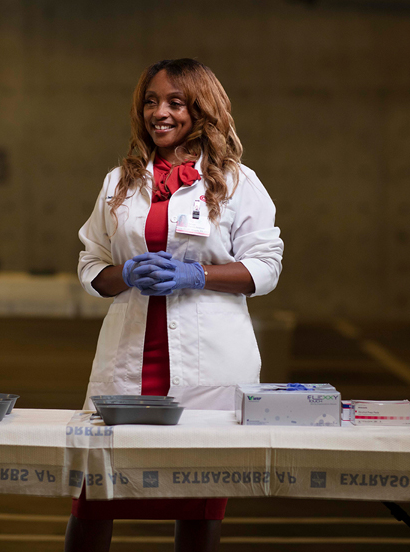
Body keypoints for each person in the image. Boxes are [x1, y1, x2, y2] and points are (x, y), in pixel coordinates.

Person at [68, 58, 283, 552]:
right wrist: (120, 275)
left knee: (199, 495)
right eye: (150, 101)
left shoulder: (236, 182)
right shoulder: (119, 184)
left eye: (174, 102)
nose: (158, 113)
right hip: (130, 362)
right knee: (97, 491)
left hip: (209, 363)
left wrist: (198, 275)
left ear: (202, 109)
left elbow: (266, 267)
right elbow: (91, 262)